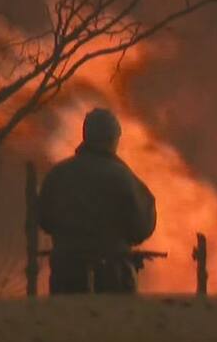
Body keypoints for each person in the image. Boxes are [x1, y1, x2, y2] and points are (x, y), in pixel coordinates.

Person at [38, 108, 156, 294]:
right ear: (112, 139)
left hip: (66, 274)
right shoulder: (124, 178)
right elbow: (142, 226)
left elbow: (44, 219)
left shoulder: (58, 175)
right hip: (113, 276)